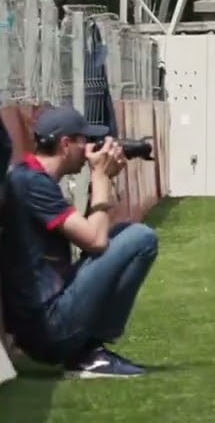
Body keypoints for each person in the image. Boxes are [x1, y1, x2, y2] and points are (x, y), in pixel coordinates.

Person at [0, 106, 159, 378]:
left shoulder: (31, 176)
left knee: (121, 233)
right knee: (141, 238)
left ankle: (88, 351)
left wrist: (102, 183)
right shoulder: (30, 182)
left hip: (44, 320)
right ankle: (89, 352)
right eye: (83, 140)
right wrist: (100, 177)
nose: (89, 148)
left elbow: (91, 236)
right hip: (48, 327)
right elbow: (95, 242)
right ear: (65, 144)